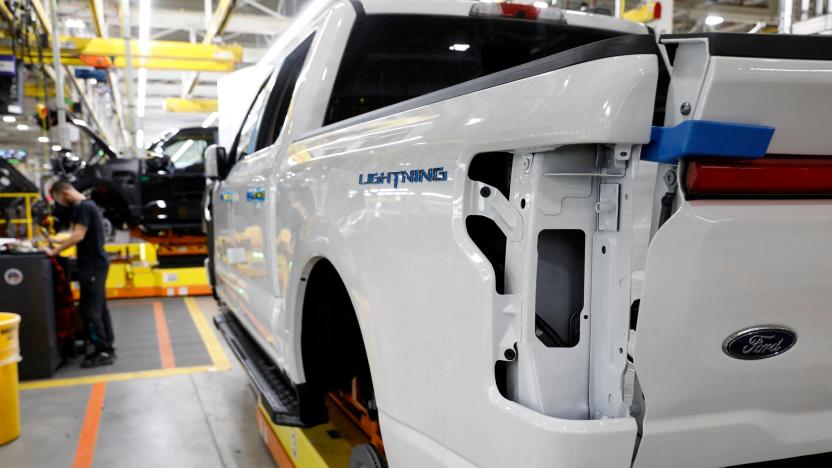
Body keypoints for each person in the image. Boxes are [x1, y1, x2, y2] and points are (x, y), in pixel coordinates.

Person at [47, 181, 116, 368]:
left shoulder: (83, 208)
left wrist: (55, 251)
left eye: (58, 199)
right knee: (99, 308)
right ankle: (107, 345)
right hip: (97, 264)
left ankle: (101, 350)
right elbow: (76, 232)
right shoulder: (88, 205)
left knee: (90, 311)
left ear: (64, 193)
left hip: (92, 266)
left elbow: (78, 235)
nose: (59, 203)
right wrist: (57, 240)